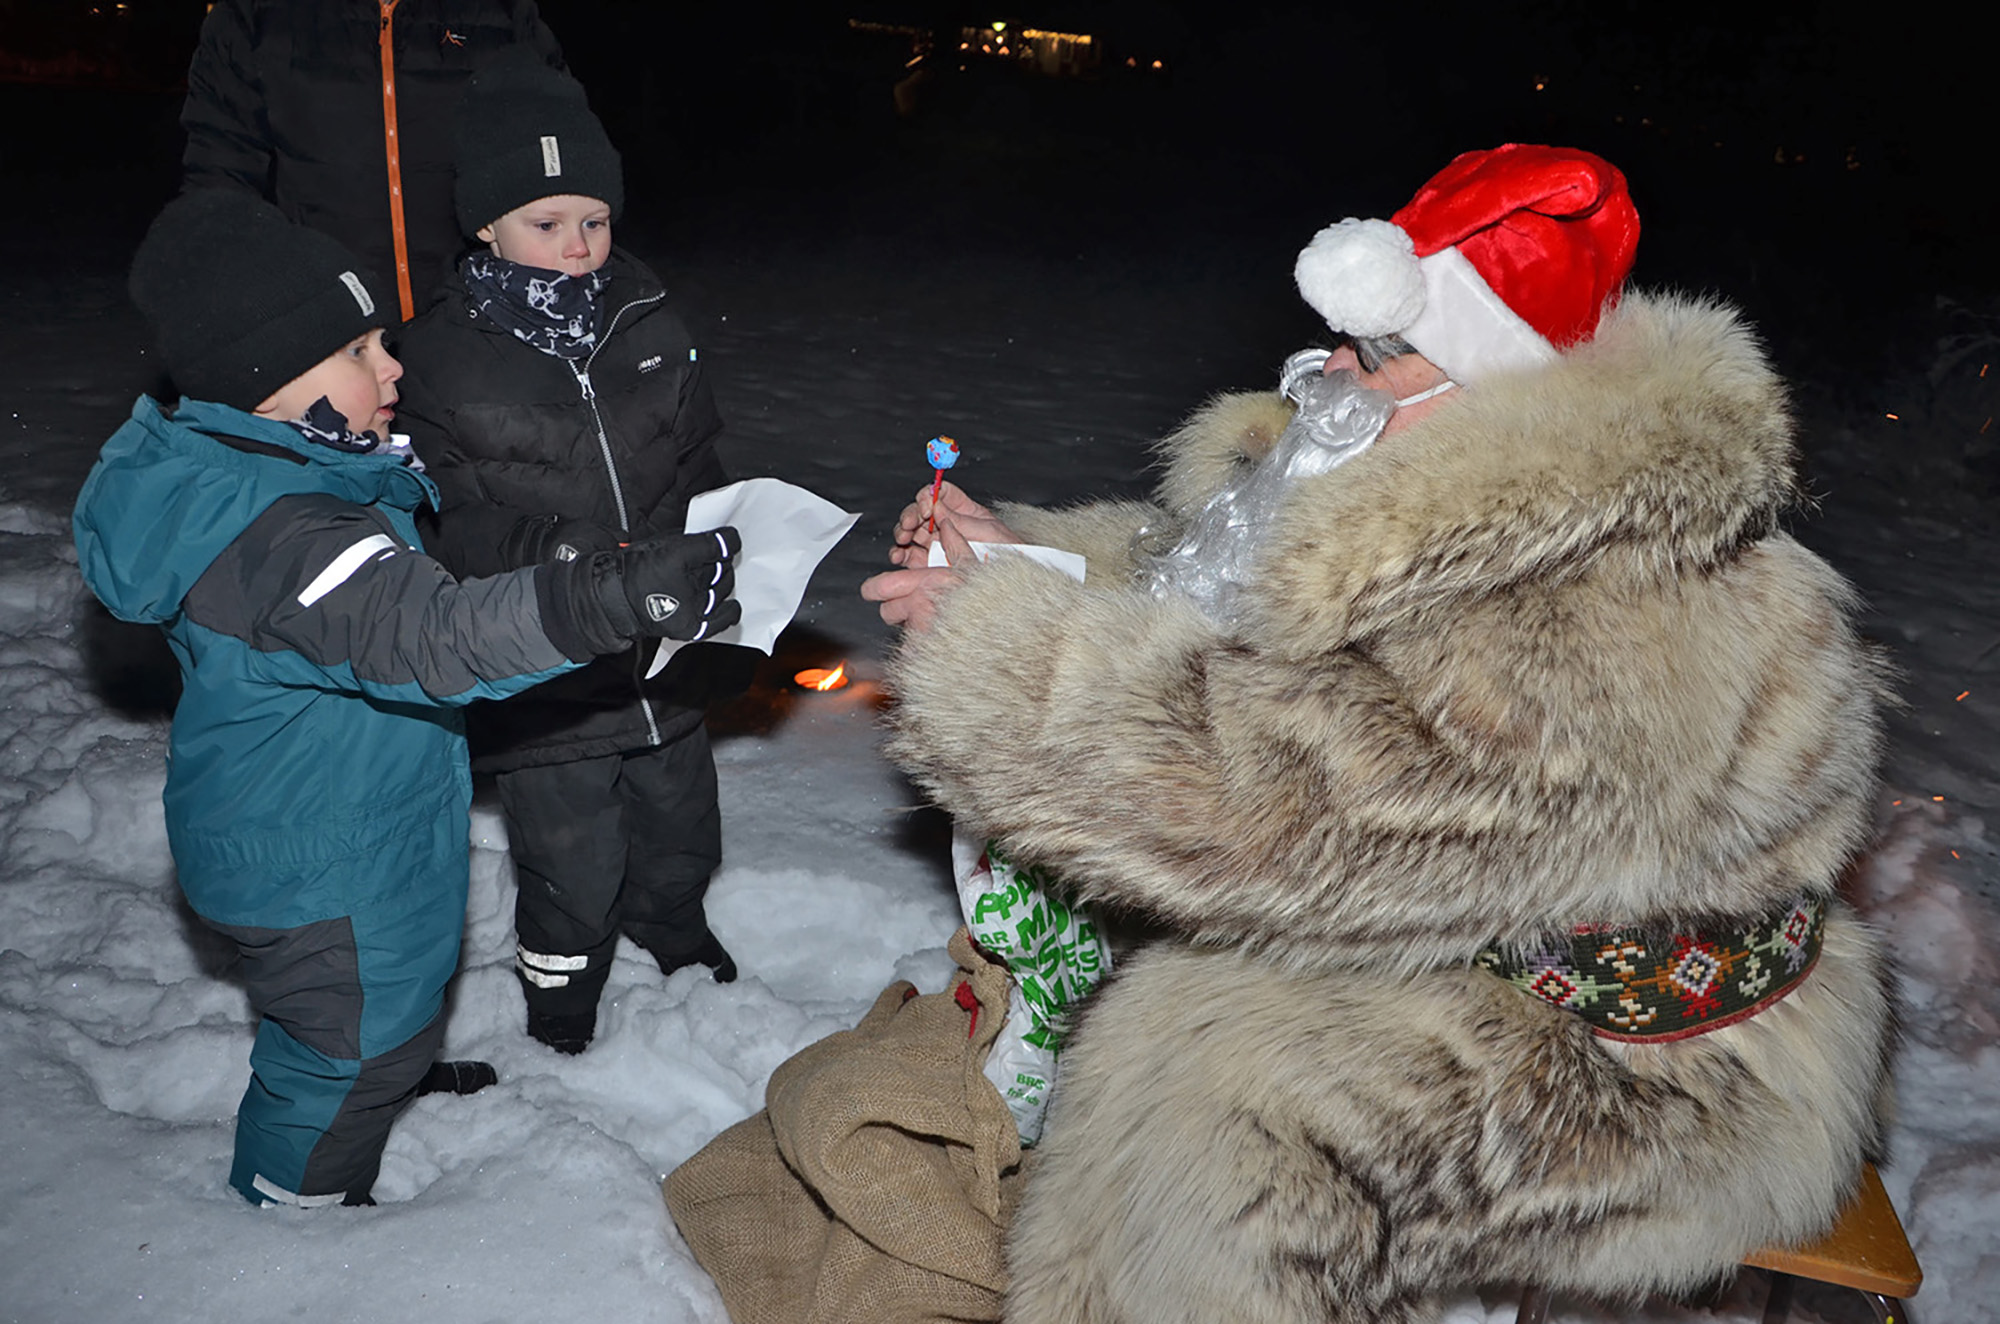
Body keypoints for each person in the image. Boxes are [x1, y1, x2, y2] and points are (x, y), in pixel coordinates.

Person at [861, 144, 1896, 1322]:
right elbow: (1208, 593)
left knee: (1218, 1117)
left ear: (1504, 380)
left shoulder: (1610, 600)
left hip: (1650, 1065)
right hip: (1499, 937)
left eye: (1380, 351)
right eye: (1342, 339)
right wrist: (1020, 564)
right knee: (1169, 1033)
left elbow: (1276, 811)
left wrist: (1004, 651)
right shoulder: (1477, 489)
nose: (1329, 372)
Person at [72, 189, 741, 1208]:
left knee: (386, 1003)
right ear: (266, 385)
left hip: (358, 824)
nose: (392, 368)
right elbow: (431, 634)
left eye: (382, 339)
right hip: (316, 862)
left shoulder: (285, 470)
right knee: (339, 1056)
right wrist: (607, 594)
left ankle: (385, 1067)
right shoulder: (284, 538)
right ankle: (294, 1209)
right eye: (357, 353)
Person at [392, 57, 743, 1058]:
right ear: (486, 227)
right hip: (545, 662)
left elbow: (697, 453)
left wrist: (726, 535)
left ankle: (669, 921)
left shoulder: (647, 322)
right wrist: (550, 547)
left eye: (593, 221)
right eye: (545, 225)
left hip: (664, 650)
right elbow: (439, 519)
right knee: (570, 856)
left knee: (681, 823)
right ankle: (562, 986)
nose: (577, 248)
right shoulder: (436, 359)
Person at [180, 0, 566, 320]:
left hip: (477, 317)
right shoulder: (253, 15)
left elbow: (558, 153)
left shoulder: (501, 13)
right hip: (320, 320)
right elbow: (221, 171)